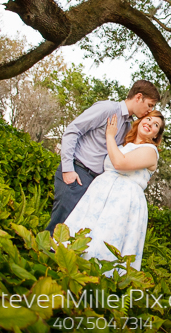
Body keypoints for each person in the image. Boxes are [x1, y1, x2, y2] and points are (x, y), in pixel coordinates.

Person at [45, 80, 160, 233]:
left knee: (73, 236)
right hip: (77, 173)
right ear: (139, 97)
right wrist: (67, 169)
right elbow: (73, 131)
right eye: (150, 105)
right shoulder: (108, 109)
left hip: (95, 185)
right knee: (60, 228)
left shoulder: (128, 126)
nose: (149, 110)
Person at [63, 110, 165, 271]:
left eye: (156, 125)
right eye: (149, 119)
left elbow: (119, 163)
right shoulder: (121, 146)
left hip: (123, 201)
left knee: (105, 242)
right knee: (82, 236)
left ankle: (98, 286)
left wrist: (110, 135)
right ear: (140, 121)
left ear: (156, 135)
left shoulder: (150, 151)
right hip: (99, 195)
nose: (150, 124)